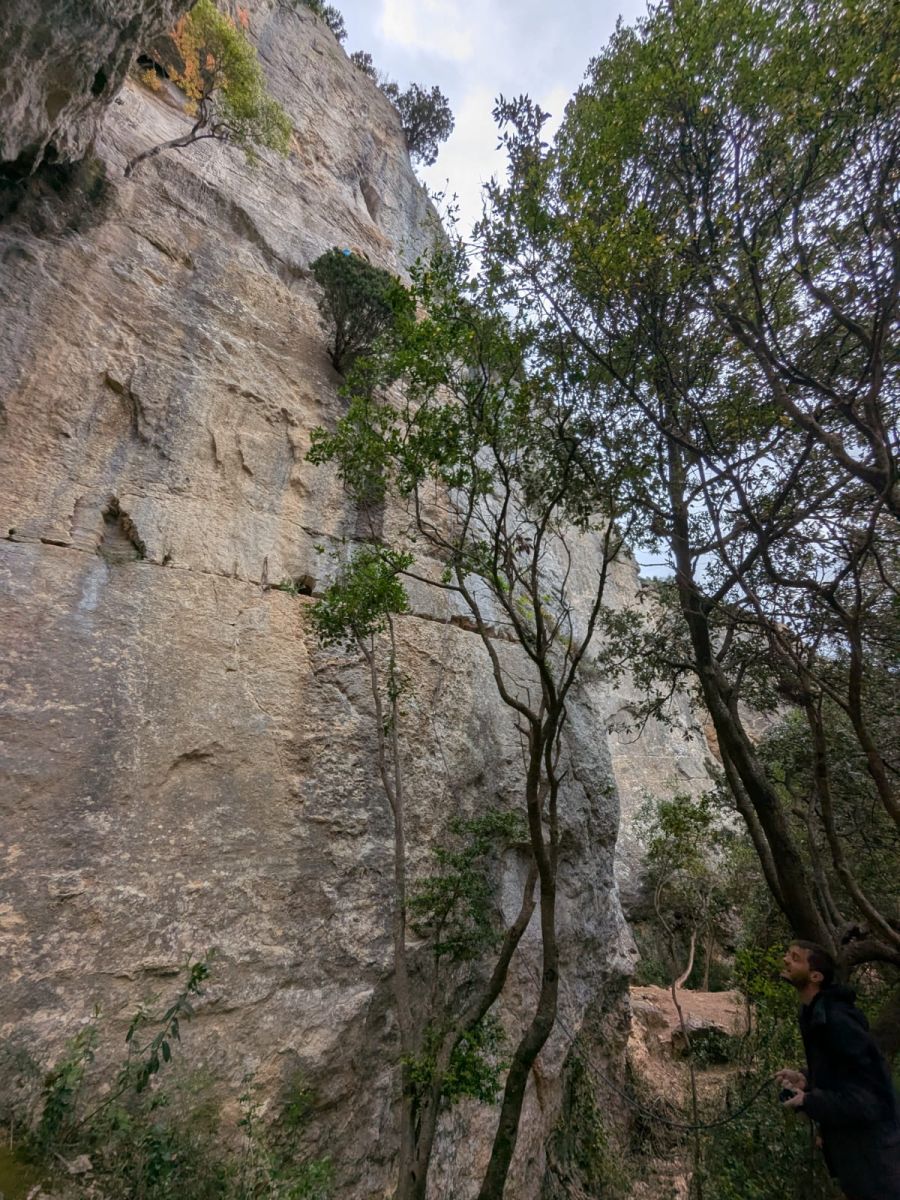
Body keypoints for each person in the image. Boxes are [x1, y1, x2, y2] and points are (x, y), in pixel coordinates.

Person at [776, 939, 900, 1200]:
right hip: (853, 1154)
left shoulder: (838, 1021)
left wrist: (810, 1101)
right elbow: (842, 1076)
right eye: (788, 954)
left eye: (795, 958)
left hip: (876, 1156)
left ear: (815, 976)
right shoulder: (812, 1014)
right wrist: (806, 1079)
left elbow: (870, 1098)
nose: (786, 959)